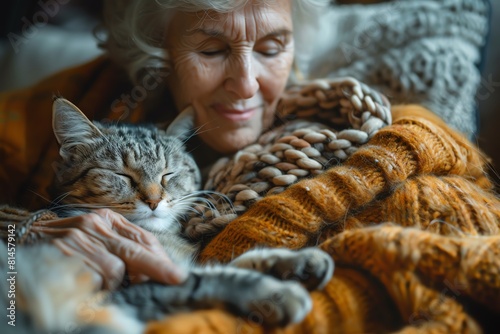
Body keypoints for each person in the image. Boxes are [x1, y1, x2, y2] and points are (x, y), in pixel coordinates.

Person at [0, 0, 327, 289]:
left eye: (271, 49)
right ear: (158, 50)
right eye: (211, 50)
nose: (245, 85)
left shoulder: (332, 141)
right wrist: (22, 231)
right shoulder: (51, 107)